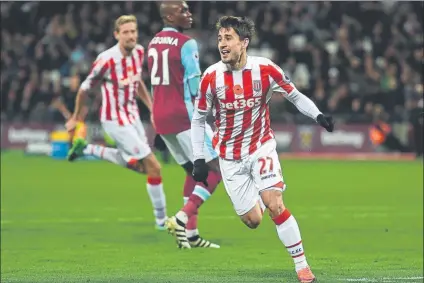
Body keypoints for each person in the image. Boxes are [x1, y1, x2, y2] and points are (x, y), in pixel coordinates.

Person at [191, 16, 335, 282]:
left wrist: (318, 116)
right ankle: (256, 196)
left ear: (244, 42)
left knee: (275, 204)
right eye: (220, 38)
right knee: (253, 221)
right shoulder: (211, 76)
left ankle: (302, 266)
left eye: (228, 38)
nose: (222, 44)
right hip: (230, 158)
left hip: (260, 148)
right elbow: (199, 118)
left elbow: (294, 94)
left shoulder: (265, 69)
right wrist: (199, 159)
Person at [65, 15, 168, 231]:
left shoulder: (139, 51)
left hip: (132, 117)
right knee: (154, 167)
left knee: (143, 168)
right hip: (114, 120)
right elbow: (85, 88)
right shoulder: (106, 60)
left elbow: (138, 81)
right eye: (126, 32)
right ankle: (162, 221)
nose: (131, 36)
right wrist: (75, 117)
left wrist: (151, 109)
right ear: (117, 35)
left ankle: (89, 149)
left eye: (133, 31)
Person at [147, 1, 221, 249]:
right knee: (217, 169)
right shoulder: (186, 43)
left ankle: (190, 235)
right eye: (183, 11)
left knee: (193, 171)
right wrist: (208, 113)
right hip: (183, 115)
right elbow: (193, 83)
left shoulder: (153, 43)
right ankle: (181, 218)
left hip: (161, 116)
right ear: (168, 16)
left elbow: (156, 83)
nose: (189, 14)